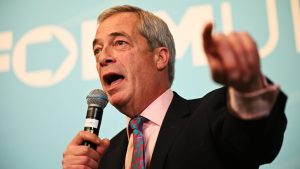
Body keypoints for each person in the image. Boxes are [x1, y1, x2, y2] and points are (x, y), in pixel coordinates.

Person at [62, 5, 287, 169]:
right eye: (97, 50)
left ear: (160, 57)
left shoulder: (210, 115)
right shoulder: (103, 160)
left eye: (120, 42)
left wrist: (248, 88)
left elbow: (257, 143)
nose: (103, 58)